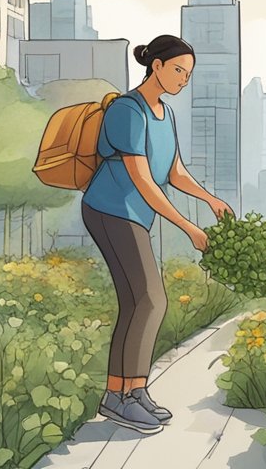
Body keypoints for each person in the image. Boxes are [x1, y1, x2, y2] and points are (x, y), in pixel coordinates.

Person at [81, 34, 235, 434]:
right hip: (110, 211)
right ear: (157, 66)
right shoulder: (128, 111)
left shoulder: (164, 114)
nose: (184, 79)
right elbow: (145, 181)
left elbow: (174, 173)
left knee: (138, 303)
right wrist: (188, 227)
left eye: (189, 74)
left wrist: (209, 199)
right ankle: (119, 397)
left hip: (133, 216)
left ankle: (130, 390)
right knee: (149, 300)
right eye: (179, 70)